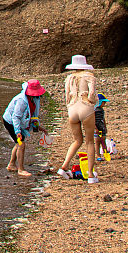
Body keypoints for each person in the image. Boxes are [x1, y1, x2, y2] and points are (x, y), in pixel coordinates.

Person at [56, 54, 100, 184]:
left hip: (72, 109)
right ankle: (91, 175)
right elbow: (92, 94)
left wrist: (70, 107)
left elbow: (66, 97)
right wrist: (93, 101)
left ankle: (64, 166)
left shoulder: (69, 78)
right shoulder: (89, 76)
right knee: (90, 142)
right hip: (85, 107)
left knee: (77, 140)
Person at [2, 80, 46, 177]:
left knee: (18, 144)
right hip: (10, 122)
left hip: (18, 122)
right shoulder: (22, 100)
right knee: (21, 144)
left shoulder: (35, 99)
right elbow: (15, 117)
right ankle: (21, 169)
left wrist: (38, 127)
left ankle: (11, 164)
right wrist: (17, 131)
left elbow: (33, 116)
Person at [94, 93, 112, 161]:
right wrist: (95, 128)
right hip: (96, 128)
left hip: (102, 127)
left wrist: (105, 126)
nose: (104, 104)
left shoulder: (101, 110)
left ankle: (105, 153)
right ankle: (98, 155)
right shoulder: (94, 110)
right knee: (97, 142)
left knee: (103, 141)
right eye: (103, 102)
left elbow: (103, 118)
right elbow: (92, 120)